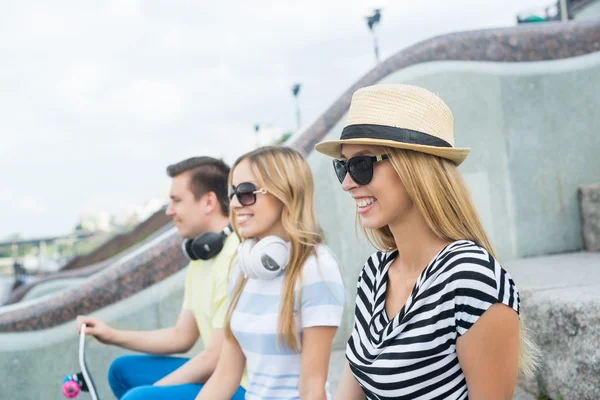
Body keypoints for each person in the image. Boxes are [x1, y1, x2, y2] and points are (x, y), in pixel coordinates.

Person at [314, 84, 540, 400]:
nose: (348, 183)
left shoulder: (470, 279)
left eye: (361, 165)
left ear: (415, 167)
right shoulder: (374, 272)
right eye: (342, 166)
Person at [76, 157, 247, 400]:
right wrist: (111, 335)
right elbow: (182, 336)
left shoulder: (236, 257)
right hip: (217, 373)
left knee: (138, 397)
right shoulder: (201, 257)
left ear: (208, 201)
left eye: (176, 201)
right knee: (122, 371)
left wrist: (151, 392)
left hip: (243, 386)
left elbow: (217, 356)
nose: (169, 211)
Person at [196, 146, 346, 400]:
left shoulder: (317, 269)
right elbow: (225, 376)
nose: (233, 204)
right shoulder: (243, 267)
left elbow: (311, 388)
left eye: (245, 193)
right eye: (232, 194)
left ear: (284, 193)